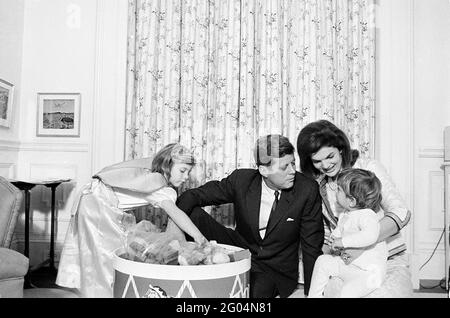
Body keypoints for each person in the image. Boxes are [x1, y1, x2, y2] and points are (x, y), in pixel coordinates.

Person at [176, 134, 324, 298]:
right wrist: (172, 229)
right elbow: (192, 196)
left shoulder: (307, 189)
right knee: (191, 212)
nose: (292, 171)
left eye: (293, 163)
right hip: (242, 249)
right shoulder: (242, 180)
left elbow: (312, 246)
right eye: (284, 167)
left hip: (275, 268)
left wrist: (312, 294)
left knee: (252, 293)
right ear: (264, 170)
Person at [56, 143, 206, 298]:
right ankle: (103, 294)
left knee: (100, 253)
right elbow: (176, 213)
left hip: (91, 198)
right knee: (107, 257)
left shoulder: (148, 170)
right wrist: (198, 236)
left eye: (188, 172)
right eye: (182, 170)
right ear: (167, 165)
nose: (186, 177)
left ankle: (99, 291)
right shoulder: (160, 189)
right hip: (98, 205)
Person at [297, 120, 413, 297]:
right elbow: (331, 233)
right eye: (317, 161)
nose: (326, 165)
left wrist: (358, 244)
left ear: (341, 149)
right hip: (348, 263)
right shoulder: (319, 186)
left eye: (330, 156)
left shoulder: (367, 167)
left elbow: (401, 212)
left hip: (388, 259)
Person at [308, 168, 388, 297]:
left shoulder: (368, 215)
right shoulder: (346, 214)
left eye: (339, 189)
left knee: (346, 292)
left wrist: (343, 242)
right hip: (350, 265)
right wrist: (334, 238)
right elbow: (341, 230)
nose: (335, 191)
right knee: (323, 261)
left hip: (369, 272)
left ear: (351, 201)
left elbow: (370, 236)